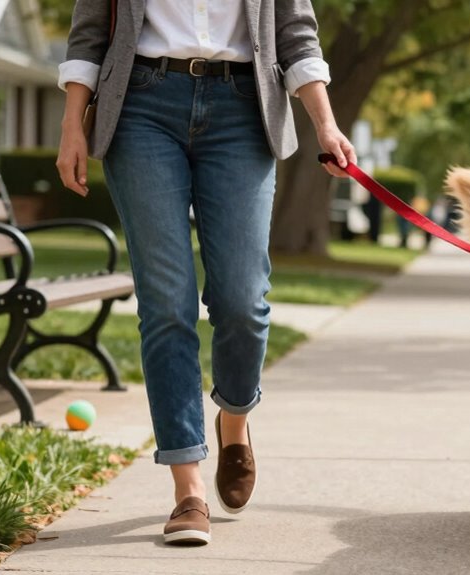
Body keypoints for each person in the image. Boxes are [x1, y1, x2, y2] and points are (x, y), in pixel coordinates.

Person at [55, 0, 355, 545]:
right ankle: (188, 489)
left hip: (244, 107)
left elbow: (295, 32)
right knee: (167, 304)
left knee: (243, 301)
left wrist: (326, 125)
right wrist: (72, 123)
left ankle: (234, 419)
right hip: (141, 105)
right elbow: (90, 32)